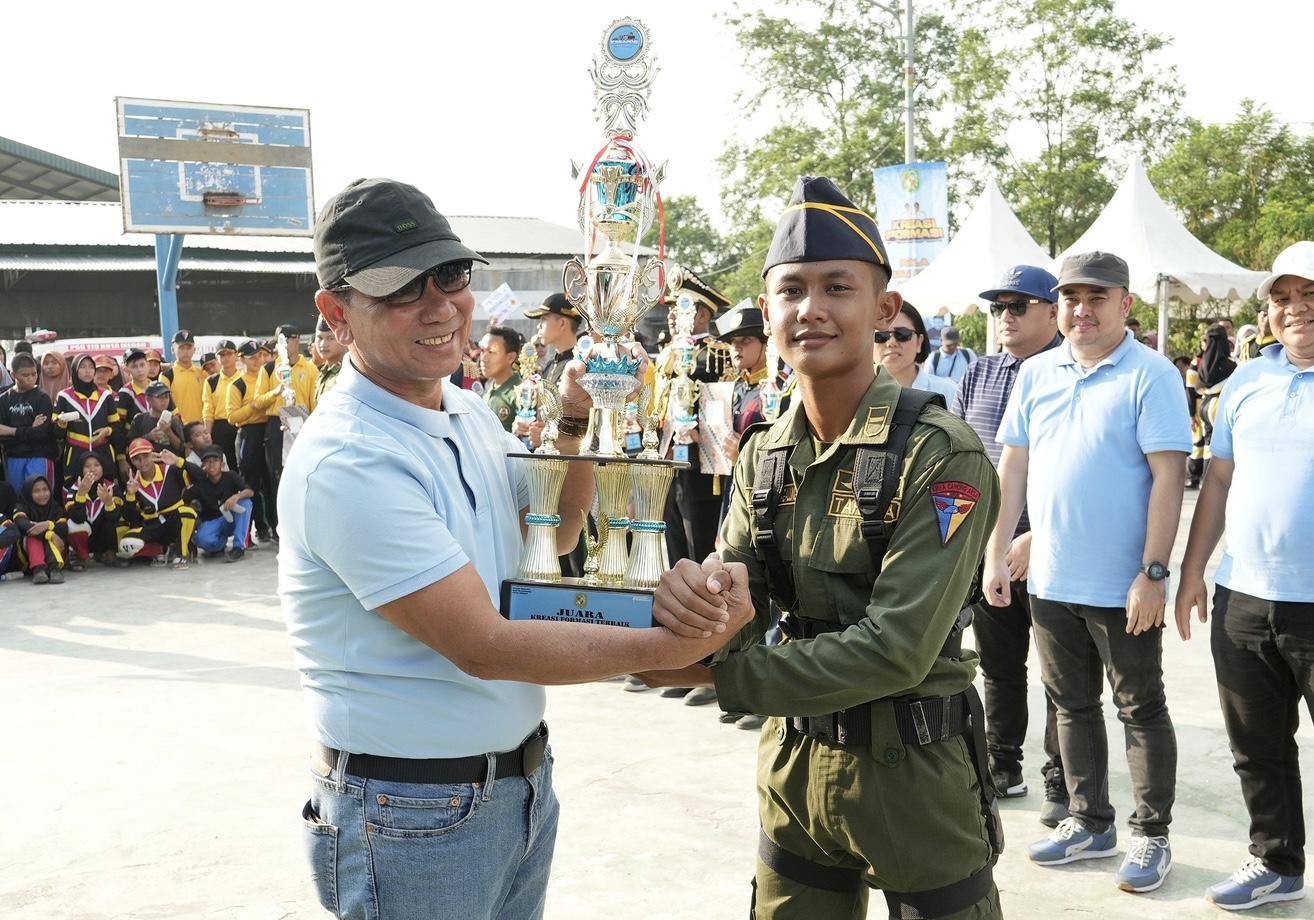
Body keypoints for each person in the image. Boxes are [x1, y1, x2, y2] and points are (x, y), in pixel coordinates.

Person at [283, 176, 752, 920]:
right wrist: (665, 650)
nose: (439, 305)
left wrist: (575, 420)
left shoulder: (463, 411)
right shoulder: (350, 459)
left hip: (515, 788)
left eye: (452, 275)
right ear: (336, 312)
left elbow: (557, 537)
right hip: (410, 814)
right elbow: (483, 644)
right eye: (401, 287)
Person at [639, 176, 1004, 919]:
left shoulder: (942, 456)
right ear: (768, 310)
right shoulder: (763, 454)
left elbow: (895, 649)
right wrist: (678, 613)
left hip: (916, 774)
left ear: (884, 309)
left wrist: (724, 677)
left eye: (838, 288)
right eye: (792, 290)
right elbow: (731, 603)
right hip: (794, 766)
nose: (812, 309)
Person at [982, 250, 1190, 894]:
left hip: (1123, 583)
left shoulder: (1150, 375)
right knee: (1070, 705)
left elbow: (1168, 475)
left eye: (1096, 297)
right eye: (1071, 297)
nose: (1082, 309)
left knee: (1139, 707)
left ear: (1126, 303)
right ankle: (1088, 821)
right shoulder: (1038, 373)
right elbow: (1012, 467)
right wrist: (995, 550)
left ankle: (1151, 835)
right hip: (1050, 577)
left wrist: (1153, 572)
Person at [1174, 240, 1314, 912]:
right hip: (1245, 598)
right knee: (1256, 747)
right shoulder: (1249, 382)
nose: (1296, 309)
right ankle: (1276, 861)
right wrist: (1192, 569)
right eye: (1283, 297)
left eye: (1310, 295)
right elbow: (1219, 481)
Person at [952, 264, 1067, 825]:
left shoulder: (1072, 370)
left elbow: (1083, 469)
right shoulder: (980, 371)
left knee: (1063, 676)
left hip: (1057, 547)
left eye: (1018, 306)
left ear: (1053, 311)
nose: (1005, 316)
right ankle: (1003, 761)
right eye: (998, 307)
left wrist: (1036, 532)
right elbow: (964, 456)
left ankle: (1063, 777)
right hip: (988, 547)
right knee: (998, 666)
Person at [252, 323, 318, 525]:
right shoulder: (270, 368)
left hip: (302, 422)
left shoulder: (309, 368)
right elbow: (258, 401)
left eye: (285, 340)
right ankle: (278, 526)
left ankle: (304, 521)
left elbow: (314, 402)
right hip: (276, 423)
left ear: (296, 340)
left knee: (304, 473)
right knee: (277, 476)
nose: (281, 346)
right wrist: (276, 392)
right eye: (278, 341)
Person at [514, 293, 582, 449]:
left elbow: (582, 425)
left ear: (563, 323)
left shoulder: (579, 366)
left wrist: (552, 439)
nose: (539, 326)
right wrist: (526, 426)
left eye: (544, 319)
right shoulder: (552, 365)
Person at [119, 439, 197, 570]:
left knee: (187, 512)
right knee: (126, 545)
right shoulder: (133, 482)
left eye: (146, 456)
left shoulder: (169, 470)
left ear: (153, 455)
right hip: (152, 528)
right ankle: (161, 550)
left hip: (173, 523)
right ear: (132, 461)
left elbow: (199, 477)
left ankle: (181, 553)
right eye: (137, 459)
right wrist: (130, 495)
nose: (143, 462)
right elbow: (133, 519)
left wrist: (179, 461)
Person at [227, 340, 275, 544]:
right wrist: (253, 406)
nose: (258, 360)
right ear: (242, 360)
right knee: (251, 483)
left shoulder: (270, 377)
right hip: (249, 433)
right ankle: (257, 528)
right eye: (253, 357)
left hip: (269, 428)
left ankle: (275, 527)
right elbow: (232, 416)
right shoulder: (237, 384)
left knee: (271, 481)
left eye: (261, 356)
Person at [54, 354, 121, 478]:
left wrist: (108, 430)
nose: (87, 371)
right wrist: (61, 423)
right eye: (83, 367)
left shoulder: (106, 396)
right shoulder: (64, 396)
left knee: (105, 493)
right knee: (75, 493)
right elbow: (55, 432)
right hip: (75, 456)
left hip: (102, 454)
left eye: (91, 367)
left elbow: (117, 426)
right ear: (75, 369)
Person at [876, 301, 958, 401]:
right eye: (880, 335)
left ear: (919, 342)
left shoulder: (948, 393)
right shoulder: (855, 396)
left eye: (902, 334)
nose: (891, 342)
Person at [186, 444, 253, 562]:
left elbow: (249, 491)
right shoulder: (200, 485)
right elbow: (184, 498)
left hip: (231, 520)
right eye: (208, 461)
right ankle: (219, 544)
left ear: (222, 464)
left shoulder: (231, 476)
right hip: (212, 521)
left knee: (246, 502)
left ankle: (238, 547)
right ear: (203, 466)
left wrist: (236, 497)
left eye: (215, 460)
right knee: (202, 540)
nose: (211, 464)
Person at [0, 353, 56, 488]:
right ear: (13, 375)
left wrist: (12, 431)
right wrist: (30, 429)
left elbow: (42, 433)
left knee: (40, 496)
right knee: (18, 498)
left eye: (34, 374)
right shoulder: (3, 399)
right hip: (13, 456)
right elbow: (1, 435)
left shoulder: (42, 397)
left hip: (39, 455)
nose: (31, 379)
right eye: (25, 376)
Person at [64, 450, 124, 569]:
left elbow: (115, 517)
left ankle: (110, 555)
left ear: (103, 467)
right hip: (86, 538)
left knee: (118, 522)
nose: (92, 469)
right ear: (81, 470)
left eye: (97, 465)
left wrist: (108, 502)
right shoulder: (74, 489)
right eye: (87, 466)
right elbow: (76, 519)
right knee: (71, 525)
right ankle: (83, 557)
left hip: (105, 537)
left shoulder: (112, 488)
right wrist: (80, 495)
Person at [13, 473, 67, 584]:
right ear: (28, 493)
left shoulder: (55, 507)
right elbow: (23, 525)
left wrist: (48, 524)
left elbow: (64, 528)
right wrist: (49, 534)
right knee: (32, 536)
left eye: (45, 489)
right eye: (36, 491)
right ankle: (39, 569)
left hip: (56, 555)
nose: (42, 494)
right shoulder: (21, 506)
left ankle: (54, 569)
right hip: (27, 560)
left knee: (51, 538)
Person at [203, 339, 243, 470]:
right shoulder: (211, 381)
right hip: (220, 427)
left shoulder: (244, 377)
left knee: (243, 464)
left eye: (228, 354)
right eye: (222, 355)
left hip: (241, 424)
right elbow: (208, 409)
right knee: (224, 466)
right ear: (217, 358)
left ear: (236, 355)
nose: (225, 358)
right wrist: (207, 434)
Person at [479, 325, 523, 433]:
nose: (484, 358)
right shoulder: (489, 387)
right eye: (482, 351)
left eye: (492, 352)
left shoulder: (521, 393)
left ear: (510, 357)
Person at [160, 329, 207, 425]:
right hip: (179, 428)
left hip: (202, 428)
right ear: (173, 350)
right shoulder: (167, 376)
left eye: (189, 347)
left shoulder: (202, 373)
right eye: (181, 348)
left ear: (194, 350)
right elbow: (164, 405)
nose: (185, 351)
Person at [128, 381, 186, 453]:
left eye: (166, 397)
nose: (164, 400)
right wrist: (148, 437)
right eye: (159, 397)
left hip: (169, 461)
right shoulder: (139, 419)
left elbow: (180, 448)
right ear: (148, 399)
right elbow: (131, 443)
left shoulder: (174, 420)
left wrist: (169, 432)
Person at [313, 317, 346, 402]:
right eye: (320, 338)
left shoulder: (347, 372)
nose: (323, 344)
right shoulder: (323, 372)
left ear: (343, 338)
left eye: (330, 338)